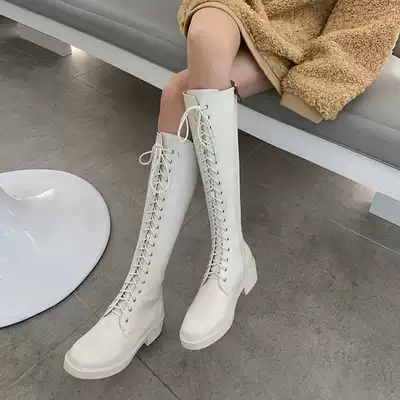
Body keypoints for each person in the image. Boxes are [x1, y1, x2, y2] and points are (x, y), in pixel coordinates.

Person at [63, 7, 268, 380]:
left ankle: (229, 251)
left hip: (306, 29)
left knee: (179, 93)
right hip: (252, 8)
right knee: (198, 45)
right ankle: (142, 296)